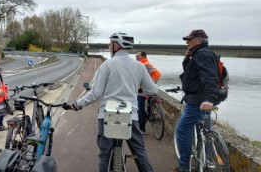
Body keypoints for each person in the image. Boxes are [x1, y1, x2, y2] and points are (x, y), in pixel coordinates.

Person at [64, 32, 158, 172]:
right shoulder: (139, 66)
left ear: (116, 45)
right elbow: (152, 90)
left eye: (110, 43)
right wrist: (137, 92)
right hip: (130, 115)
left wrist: (77, 105)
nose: (108, 46)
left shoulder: (107, 65)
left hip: (108, 115)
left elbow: (95, 93)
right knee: (140, 152)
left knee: (104, 155)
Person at [175, 29, 220, 172]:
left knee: (182, 130)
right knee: (205, 130)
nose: (187, 42)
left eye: (189, 39)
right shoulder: (199, 54)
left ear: (199, 40)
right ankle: (207, 160)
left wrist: (209, 98)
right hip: (200, 99)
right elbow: (191, 75)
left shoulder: (202, 54)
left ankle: (184, 166)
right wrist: (186, 60)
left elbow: (210, 77)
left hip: (198, 101)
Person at [135, 51, 161, 134]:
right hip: (150, 88)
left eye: (138, 56)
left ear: (143, 56)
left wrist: (151, 83)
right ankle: (149, 113)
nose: (136, 57)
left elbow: (157, 73)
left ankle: (141, 129)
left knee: (140, 106)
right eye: (136, 56)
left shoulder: (144, 64)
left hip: (147, 89)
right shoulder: (144, 63)